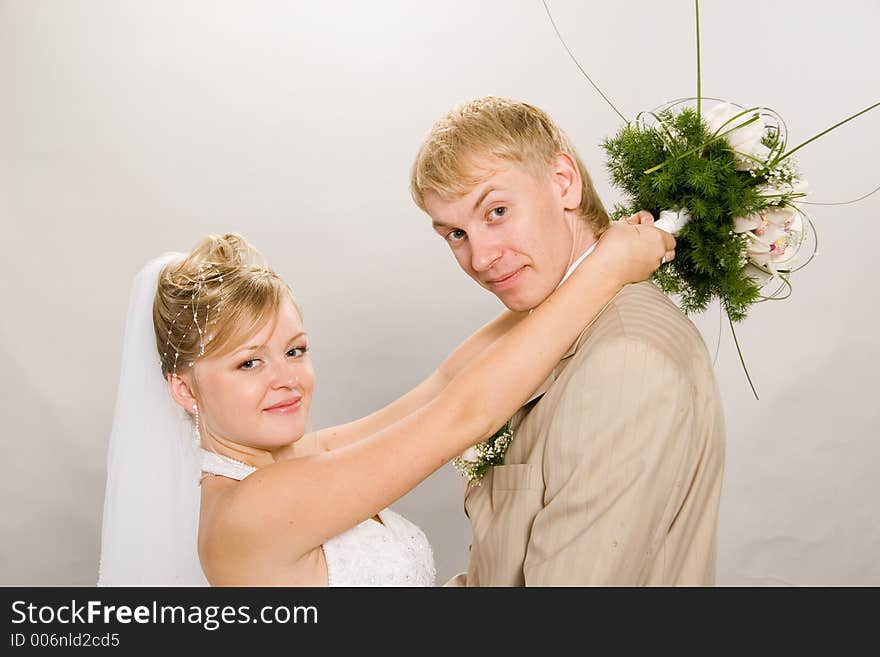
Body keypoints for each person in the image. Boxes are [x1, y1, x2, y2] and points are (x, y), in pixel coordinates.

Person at [97, 223, 673, 586]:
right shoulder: (251, 509)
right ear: (185, 390)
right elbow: (463, 416)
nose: (286, 380)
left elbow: (446, 384)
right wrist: (609, 271)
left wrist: (581, 263)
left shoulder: (290, 462)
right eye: (249, 362)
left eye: (294, 350)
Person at [410, 96, 726, 586]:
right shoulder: (547, 329)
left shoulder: (624, 360)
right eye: (455, 233)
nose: (480, 258)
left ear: (563, 182)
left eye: (496, 211)